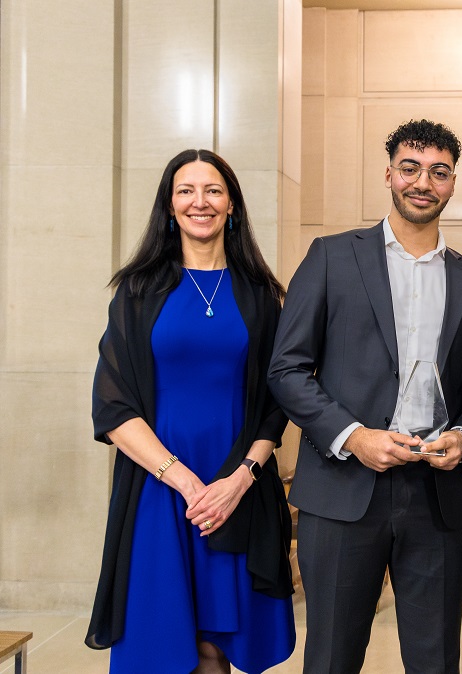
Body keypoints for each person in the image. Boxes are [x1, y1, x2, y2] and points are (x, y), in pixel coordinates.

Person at [268, 119, 462, 674]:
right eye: (410, 168)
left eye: (439, 172)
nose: (423, 182)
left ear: (453, 183)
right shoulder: (331, 257)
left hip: (437, 497)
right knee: (331, 659)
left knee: (435, 661)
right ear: (389, 173)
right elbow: (287, 369)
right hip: (343, 490)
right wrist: (354, 437)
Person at [86, 149, 296, 673]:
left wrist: (239, 480)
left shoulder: (261, 296)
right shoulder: (137, 292)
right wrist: (185, 482)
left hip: (238, 485)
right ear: (169, 205)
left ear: (232, 205)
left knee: (216, 646)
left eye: (213, 190)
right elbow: (112, 405)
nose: (199, 202)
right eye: (186, 191)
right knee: (164, 643)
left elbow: (278, 402)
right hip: (160, 487)